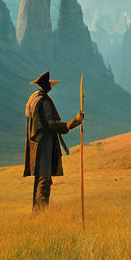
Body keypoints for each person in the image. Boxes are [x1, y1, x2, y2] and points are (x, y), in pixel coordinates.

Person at [23, 71, 84, 210]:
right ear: (47, 87)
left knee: (39, 178)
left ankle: (37, 212)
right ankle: (40, 213)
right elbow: (51, 124)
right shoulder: (43, 101)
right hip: (44, 144)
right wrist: (73, 122)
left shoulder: (33, 99)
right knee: (45, 179)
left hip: (35, 144)